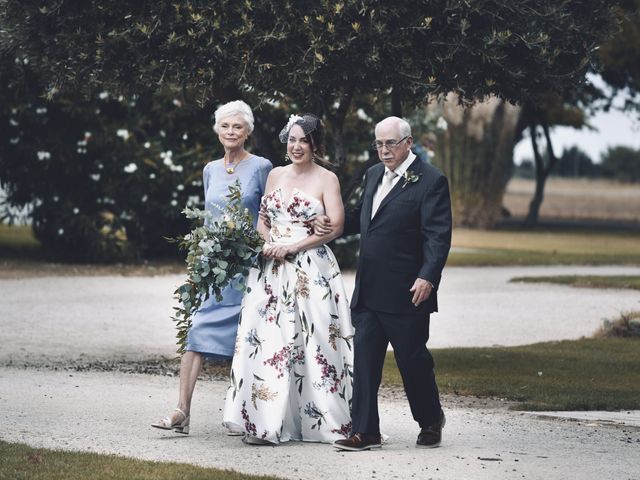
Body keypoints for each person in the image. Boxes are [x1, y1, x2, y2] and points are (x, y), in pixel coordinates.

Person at [222, 114, 354, 445]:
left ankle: (322, 420)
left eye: (303, 141)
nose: (296, 146)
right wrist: (268, 243)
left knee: (313, 341)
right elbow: (263, 219)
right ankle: (266, 424)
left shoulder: (327, 179)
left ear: (315, 145)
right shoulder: (275, 175)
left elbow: (336, 226)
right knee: (269, 341)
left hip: (309, 269)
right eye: (292, 140)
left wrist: (294, 246)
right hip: (270, 268)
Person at [322, 116, 452, 451]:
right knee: (364, 363)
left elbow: (437, 236)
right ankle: (366, 432)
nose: (383, 150)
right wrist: (330, 224)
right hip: (368, 290)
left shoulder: (431, 181)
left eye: (390, 143)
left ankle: (430, 419)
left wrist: (428, 276)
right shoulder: (373, 175)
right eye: (379, 144)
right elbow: (363, 218)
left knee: (413, 362)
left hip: (407, 291)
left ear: (409, 142)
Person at [152, 100, 272, 434]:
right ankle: (181, 411)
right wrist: (200, 259)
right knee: (196, 334)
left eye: (237, 127)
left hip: (248, 267)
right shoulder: (210, 169)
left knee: (247, 340)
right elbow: (210, 216)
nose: (231, 132)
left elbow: (268, 215)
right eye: (225, 126)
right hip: (214, 269)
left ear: (248, 131)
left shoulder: (262, 167)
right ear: (216, 130)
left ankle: (246, 414)